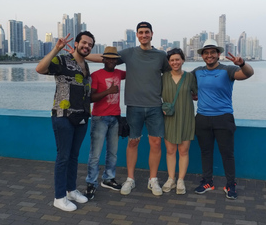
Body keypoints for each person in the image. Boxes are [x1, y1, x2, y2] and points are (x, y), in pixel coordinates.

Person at [85, 21, 170, 196]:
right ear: (137, 35)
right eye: (141, 32)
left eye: (147, 32)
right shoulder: (129, 53)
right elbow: (104, 58)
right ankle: (130, 179)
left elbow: (171, 76)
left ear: (152, 34)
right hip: (134, 106)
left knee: (156, 143)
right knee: (133, 142)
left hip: (155, 106)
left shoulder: (161, 55)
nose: (144, 35)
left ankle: (152, 180)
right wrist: (81, 54)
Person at [35, 31, 95, 212]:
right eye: (84, 43)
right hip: (63, 115)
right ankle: (59, 197)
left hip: (82, 117)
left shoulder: (85, 65)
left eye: (90, 44)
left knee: (74, 156)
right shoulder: (62, 61)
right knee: (63, 157)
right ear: (76, 44)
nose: (86, 46)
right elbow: (40, 68)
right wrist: (56, 48)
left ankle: (71, 190)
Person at [192, 39, 254, 199]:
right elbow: (184, 84)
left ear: (218, 54)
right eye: (206, 53)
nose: (209, 55)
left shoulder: (228, 70)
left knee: (227, 154)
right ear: (202, 56)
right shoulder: (197, 71)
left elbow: (249, 73)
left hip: (223, 118)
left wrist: (242, 64)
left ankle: (230, 184)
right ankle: (207, 181)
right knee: (206, 152)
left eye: (213, 52)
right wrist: (193, 95)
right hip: (202, 118)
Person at [84, 46, 126, 200]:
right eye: (108, 58)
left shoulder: (119, 73)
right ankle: (91, 182)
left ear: (117, 61)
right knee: (95, 154)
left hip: (115, 117)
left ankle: (108, 178)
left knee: (113, 152)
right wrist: (108, 91)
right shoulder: (96, 75)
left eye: (113, 58)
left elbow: (136, 72)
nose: (111, 61)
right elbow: (91, 98)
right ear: (103, 59)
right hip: (99, 118)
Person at [160, 48, 197, 195]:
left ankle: (180, 180)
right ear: (168, 62)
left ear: (183, 60)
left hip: (186, 118)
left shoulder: (190, 77)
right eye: (172, 60)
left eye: (177, 59)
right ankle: (171, 178)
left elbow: (197, 93)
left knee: (183, 151)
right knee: (170, 151)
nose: (175, 62)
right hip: (168, 118)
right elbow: (155, 95)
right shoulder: (163, 77)